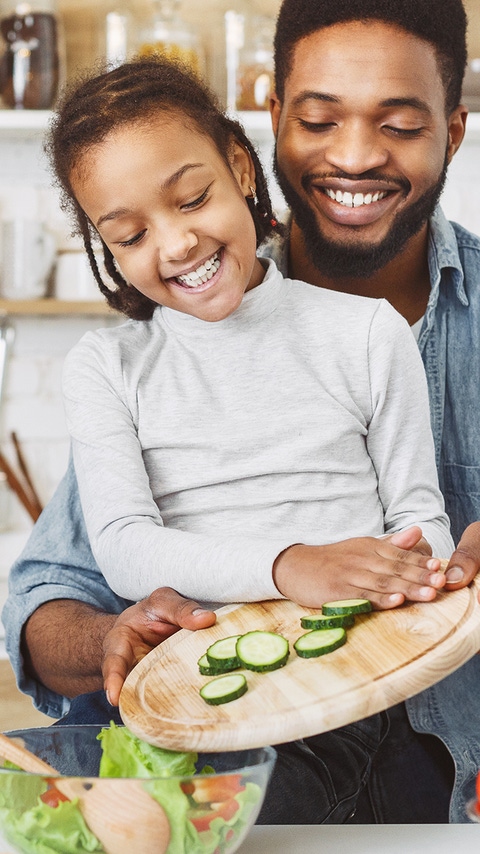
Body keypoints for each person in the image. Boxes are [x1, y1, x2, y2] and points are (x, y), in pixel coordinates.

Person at [2, 0, 480, 824]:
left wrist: (423, 573)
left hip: (380, 707)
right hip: (203, 708)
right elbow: (93, 569)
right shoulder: (115, 368)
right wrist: (289, 564)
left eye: (191, 200)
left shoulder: (365, 334)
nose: (177, 244)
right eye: (128, 234)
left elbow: (418, 522)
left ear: (237, 167)